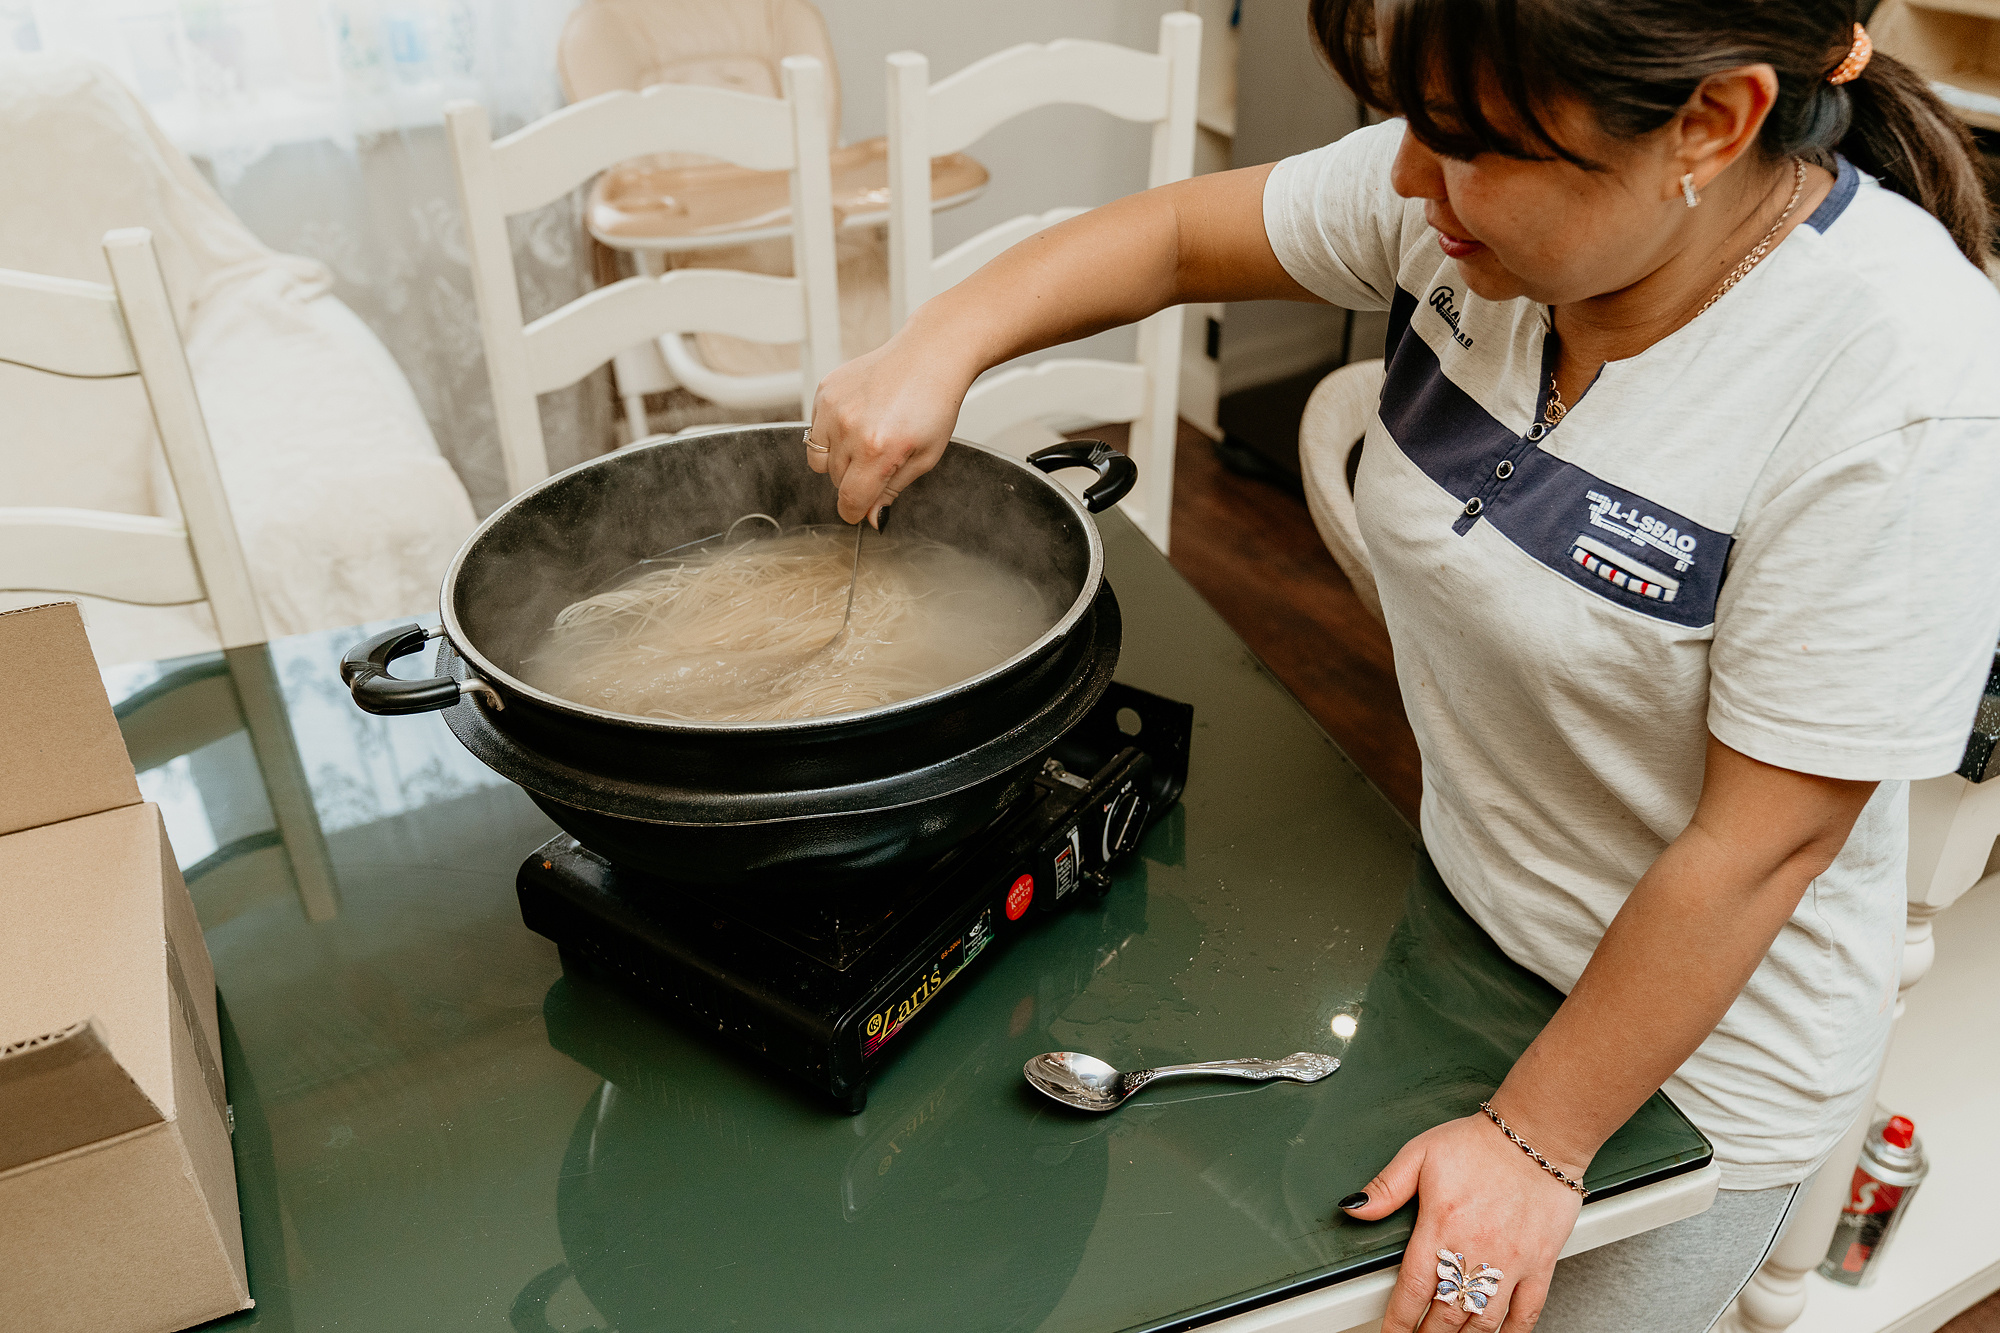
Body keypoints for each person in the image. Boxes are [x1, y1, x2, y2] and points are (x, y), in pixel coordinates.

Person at [804, 2, 2000, 1330]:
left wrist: (1538, 1144)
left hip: (1686, 1085)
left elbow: (1761, 847)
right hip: (1453, 933)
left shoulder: (1902, 385)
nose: (1408, 178)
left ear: (1709, 126)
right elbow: (1174, 235)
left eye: (1470, 145)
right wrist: (941, 342)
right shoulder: (1469, 195)